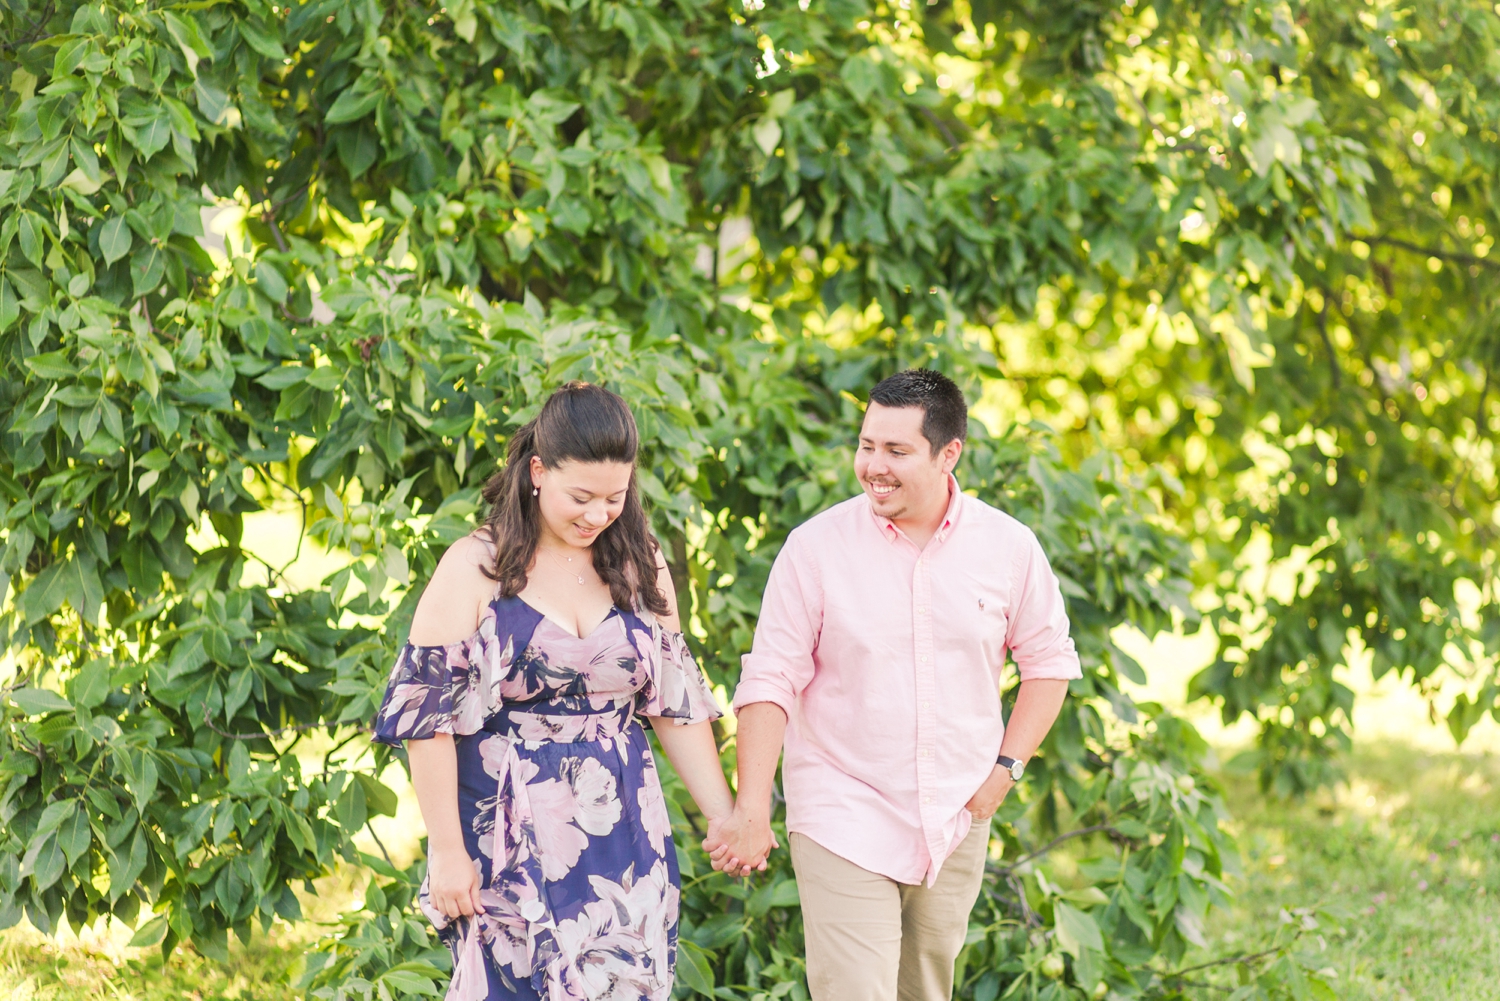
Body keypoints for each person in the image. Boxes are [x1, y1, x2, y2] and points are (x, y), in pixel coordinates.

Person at [705, 369, 1081, 1001]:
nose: (873, 466)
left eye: (896, 451)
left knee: (925, 991)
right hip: (842, 805)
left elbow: (1049, 662)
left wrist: (1002, 774)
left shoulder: (1008, 547)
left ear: (948, 452)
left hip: (957, 812)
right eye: (866, 445)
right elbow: (770, 677)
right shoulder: (816, 548)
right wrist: (752, 806)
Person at [373, 382, 747, 1001]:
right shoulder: (475, 567)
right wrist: (445, 850)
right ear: (539, 472)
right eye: (581, 496)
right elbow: (424, 721)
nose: (598, 515)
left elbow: (675, 705)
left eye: (614, 498)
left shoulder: (638, 562)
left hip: (623, 826)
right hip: (507, 823)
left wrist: (724, 816)